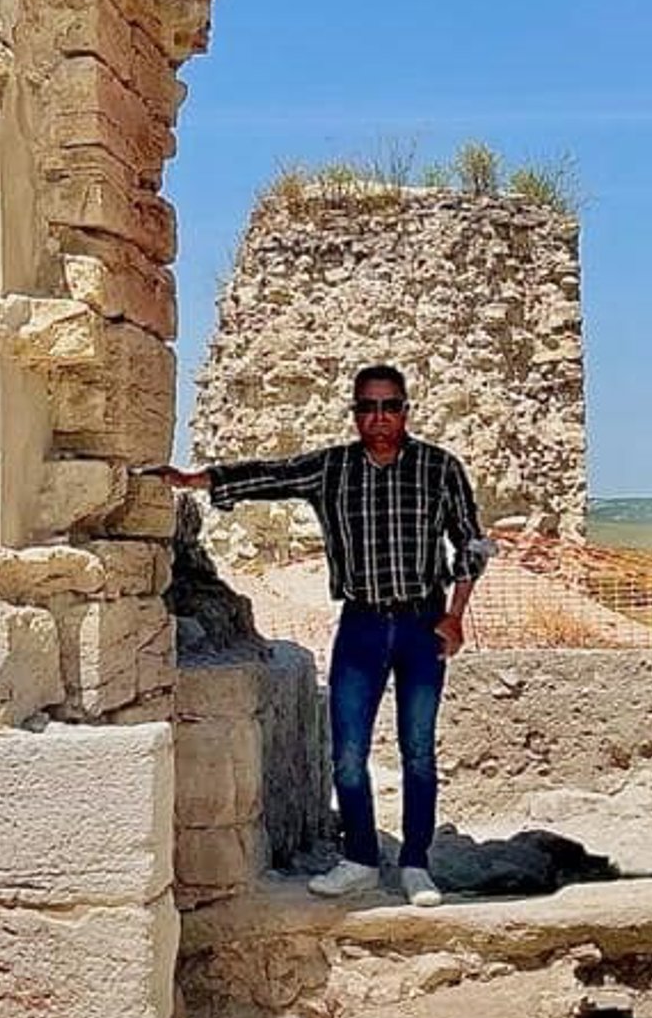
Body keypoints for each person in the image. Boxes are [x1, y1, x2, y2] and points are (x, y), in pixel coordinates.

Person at [152, 364, 490, 908]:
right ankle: (360, 859)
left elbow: (471, 543)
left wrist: (455, 615)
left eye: (390, 406)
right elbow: (274, 475)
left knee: (418, 752)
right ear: (355, 414)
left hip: (421, 625)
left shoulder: (439, 468)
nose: (379, 418)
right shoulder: (333, 468)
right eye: (368, 407)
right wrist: (200, 481)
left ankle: (415, 865)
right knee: (348, 753)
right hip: (360, 624)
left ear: (405, 410)